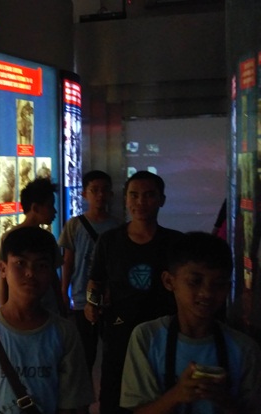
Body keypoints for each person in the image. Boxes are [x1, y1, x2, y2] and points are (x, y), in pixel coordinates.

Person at [0, 226, 94, 414]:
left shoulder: (65, 333)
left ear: (51, 272)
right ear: (3, 269)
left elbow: (72, 404)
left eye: (41, 265)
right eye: (20, 263)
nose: (30, 273)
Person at [120, 232, 261, 413]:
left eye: (218, 284)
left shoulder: (246, 349)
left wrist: (223, 400)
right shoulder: (147, 337)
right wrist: (177, 395)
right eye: (195, 281)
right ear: (169, 281)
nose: (206, 293)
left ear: (228, 287)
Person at [84, 171, 182, 414]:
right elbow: (96, 280)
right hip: (119, 331)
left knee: (162, 393)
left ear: (162, 200)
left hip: (163, 332)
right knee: (114, 395)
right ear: (125, 199)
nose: (141, 202)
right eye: (134, 195)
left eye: (149, 195)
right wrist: (91, 305)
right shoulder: (109, 241)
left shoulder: (175, 243)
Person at [59, 170, 122, 372]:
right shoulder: (74, 225)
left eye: (104, 190)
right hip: (81, 297)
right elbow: (68, 261)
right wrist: (64, 291)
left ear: (111, 194)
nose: (100, 195)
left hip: (110, 298)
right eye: (94, 190)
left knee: (113, 351)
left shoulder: (118, 226)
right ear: (85, 194)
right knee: (85, 353)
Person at [0, 178, 66, 315]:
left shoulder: (47, 238)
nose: (55, 211)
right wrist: (5, 313)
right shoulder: (10, 238)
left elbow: (53, 277)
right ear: (35, 208)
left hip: (47, 311)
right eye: (50, 206)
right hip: (25, 311)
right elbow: (3, 279)